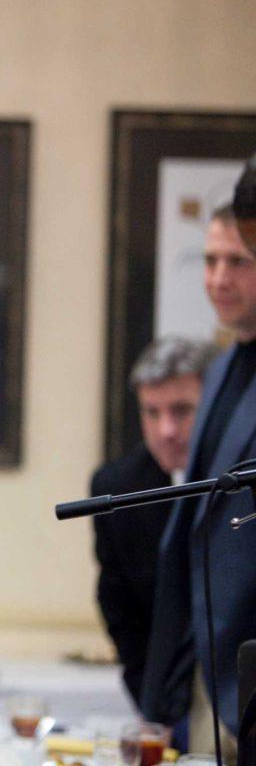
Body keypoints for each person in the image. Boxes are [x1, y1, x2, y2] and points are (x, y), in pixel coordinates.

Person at [143, 205, 256, 762]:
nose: (218, 278)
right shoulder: (221, 368)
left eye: (238, 260)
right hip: (208, 671)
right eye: (210, 260)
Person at [91, 335, 215, 707]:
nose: (166, 431)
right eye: (152, 412)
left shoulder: (240, 478)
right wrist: (150, 693)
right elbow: (117, 604)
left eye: (182, 410)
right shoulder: (117, 486)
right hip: (163, 692)